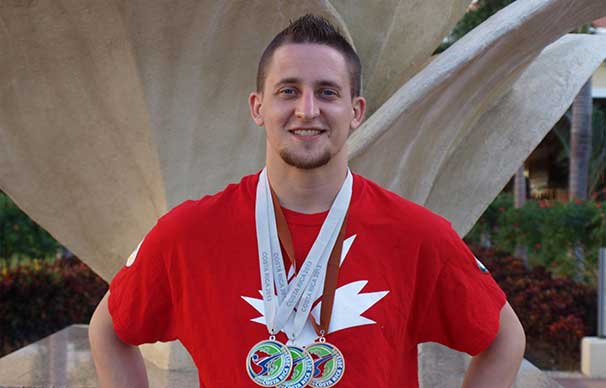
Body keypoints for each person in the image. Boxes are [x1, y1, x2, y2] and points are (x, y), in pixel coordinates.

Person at [89, 14, 525, 388]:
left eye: (328, 92)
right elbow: (109, 331)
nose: (307, 109)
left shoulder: (415, 235)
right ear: (258, 107)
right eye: (288, 90)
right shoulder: (189, 233)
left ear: (356, 111)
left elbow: (504, 338)